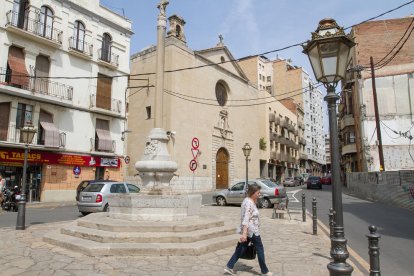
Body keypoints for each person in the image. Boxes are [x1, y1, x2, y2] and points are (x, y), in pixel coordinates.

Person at [224, 183, 273, 276]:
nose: (259, 195)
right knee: (260, 249)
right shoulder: (249, 203)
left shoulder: (246, 200)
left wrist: (244, 233)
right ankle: (264, 271)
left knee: (242, 248)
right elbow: (246, 218)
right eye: (258, 193)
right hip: (252, 230)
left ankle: (229, 266)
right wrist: (244, 233)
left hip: (249, 230)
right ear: (253, 193)